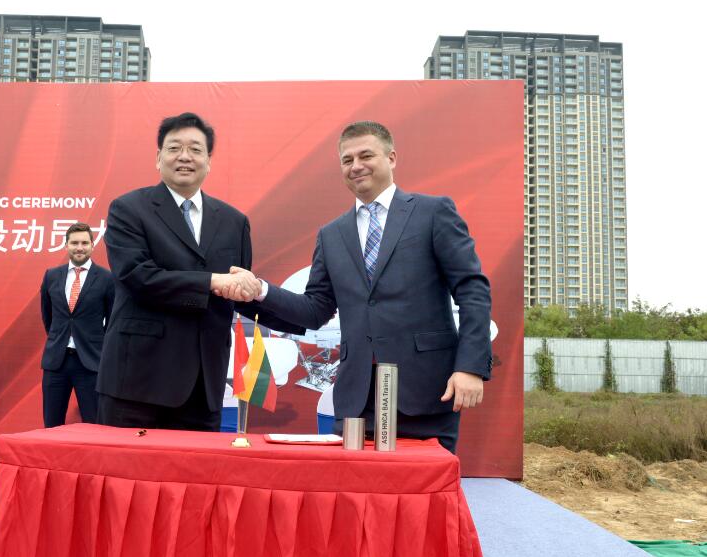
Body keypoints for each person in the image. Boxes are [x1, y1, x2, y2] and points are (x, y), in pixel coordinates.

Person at [230, 121, 492, 453]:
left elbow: (472, 290)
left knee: (425, 485)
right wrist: (260, 290)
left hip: (427, 393)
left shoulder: (433, 213)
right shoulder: (332, 234)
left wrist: (469, 367)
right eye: (347, 160)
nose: (356, 166)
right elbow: (315, 310)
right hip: (357, 400)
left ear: (391, 158)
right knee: (358, 487)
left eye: (366, 156)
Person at [96, 112, 302, 431]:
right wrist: (212, 281)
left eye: (195, 149)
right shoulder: (128, 209)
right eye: (174, 148)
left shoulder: (234, 221)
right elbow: (137, 277)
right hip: (138, 381)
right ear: (158, 158)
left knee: (195, 465)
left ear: (209, 161)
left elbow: (238, 293)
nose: (185, 156)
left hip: (204, 384)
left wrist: (305, 316)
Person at [40, 222, 115, 427]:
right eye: (74, 243)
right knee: (51, 424)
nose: (79, 247)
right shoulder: (51, 276)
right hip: (57, 362)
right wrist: (60, 338)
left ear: (92, 245)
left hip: (91, 362)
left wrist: (97, 345)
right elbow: (48, 316)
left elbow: (112, 321)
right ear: (66, 245)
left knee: (94, 424)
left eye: (84, 243)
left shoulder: (107, 278)